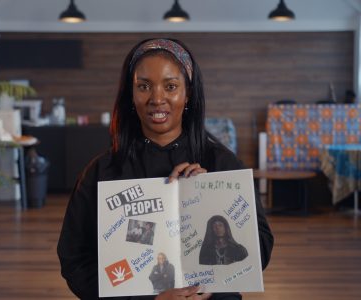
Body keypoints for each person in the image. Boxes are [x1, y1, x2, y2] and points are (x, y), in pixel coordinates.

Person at [57, 38, 274, 300]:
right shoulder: (102, 172)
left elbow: (260, 248)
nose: (157, 98)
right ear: (130, 94)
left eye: (170, 86)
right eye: (143, 86)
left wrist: (212, 200)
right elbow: (74, 259)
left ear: (188, 93)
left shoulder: (223, 165)